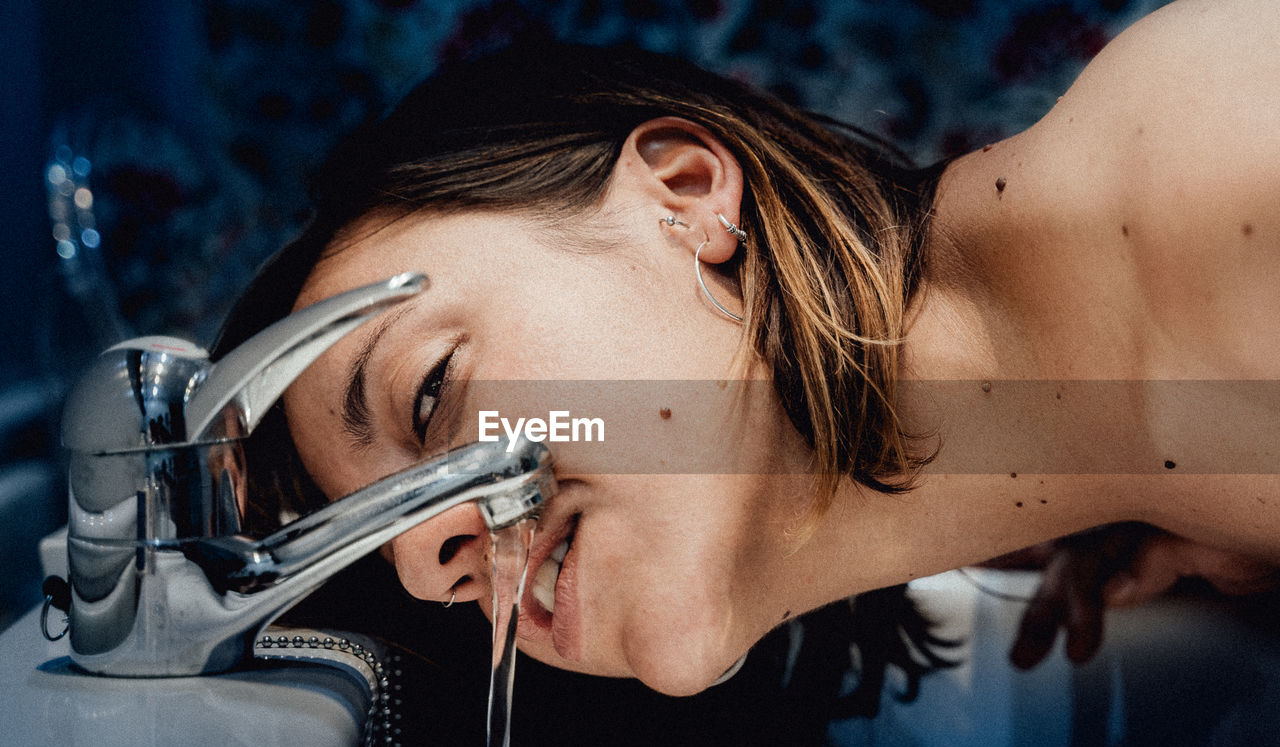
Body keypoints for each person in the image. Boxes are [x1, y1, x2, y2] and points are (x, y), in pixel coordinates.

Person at [215, 0, 1279, 701]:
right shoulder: (1152, 447)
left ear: (682, 197)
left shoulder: (1218, 172)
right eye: (383, 535)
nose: (422, 561)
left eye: (432, 389)